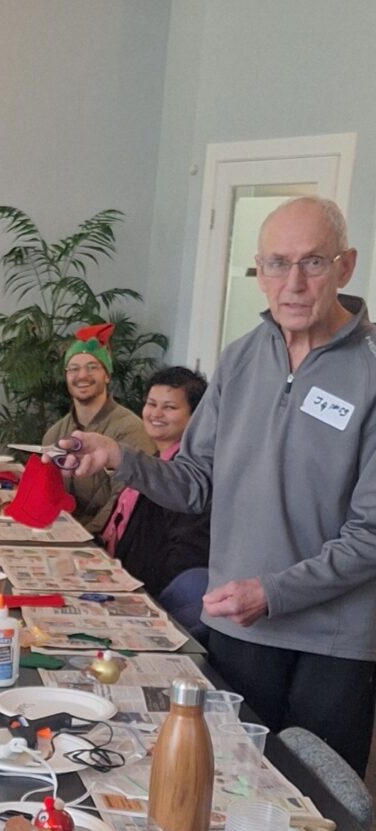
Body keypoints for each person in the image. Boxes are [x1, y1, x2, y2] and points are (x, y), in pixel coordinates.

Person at [55, 197, 376, 774]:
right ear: (260, 271)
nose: (294, 283)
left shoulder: (372, 370)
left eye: (314, 263)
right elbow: (196, 483)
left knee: (320, 812)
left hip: (332, 640)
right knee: (228, 783)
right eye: (277, 264)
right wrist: (118, 457)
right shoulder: (240, 360)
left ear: (346, 266)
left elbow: (371, 534)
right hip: (240, 623)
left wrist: (273, 593)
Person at [100, 366, 211, 639]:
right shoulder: (154, 463)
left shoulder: (187, 480)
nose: (156, 414)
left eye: (170, 407)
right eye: (151, 404)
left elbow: (186, 557)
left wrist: (141, 599)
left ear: (195, 417)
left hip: (156, 603)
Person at [42, 323, 154, 534]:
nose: (82, 375)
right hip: (61, 536)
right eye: (73, 369)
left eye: (92, 367)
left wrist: (84, 536)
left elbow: (125, 502)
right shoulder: (55, 434)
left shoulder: (131, 430)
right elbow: (49, 495)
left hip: (105, 542)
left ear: (107, 375)